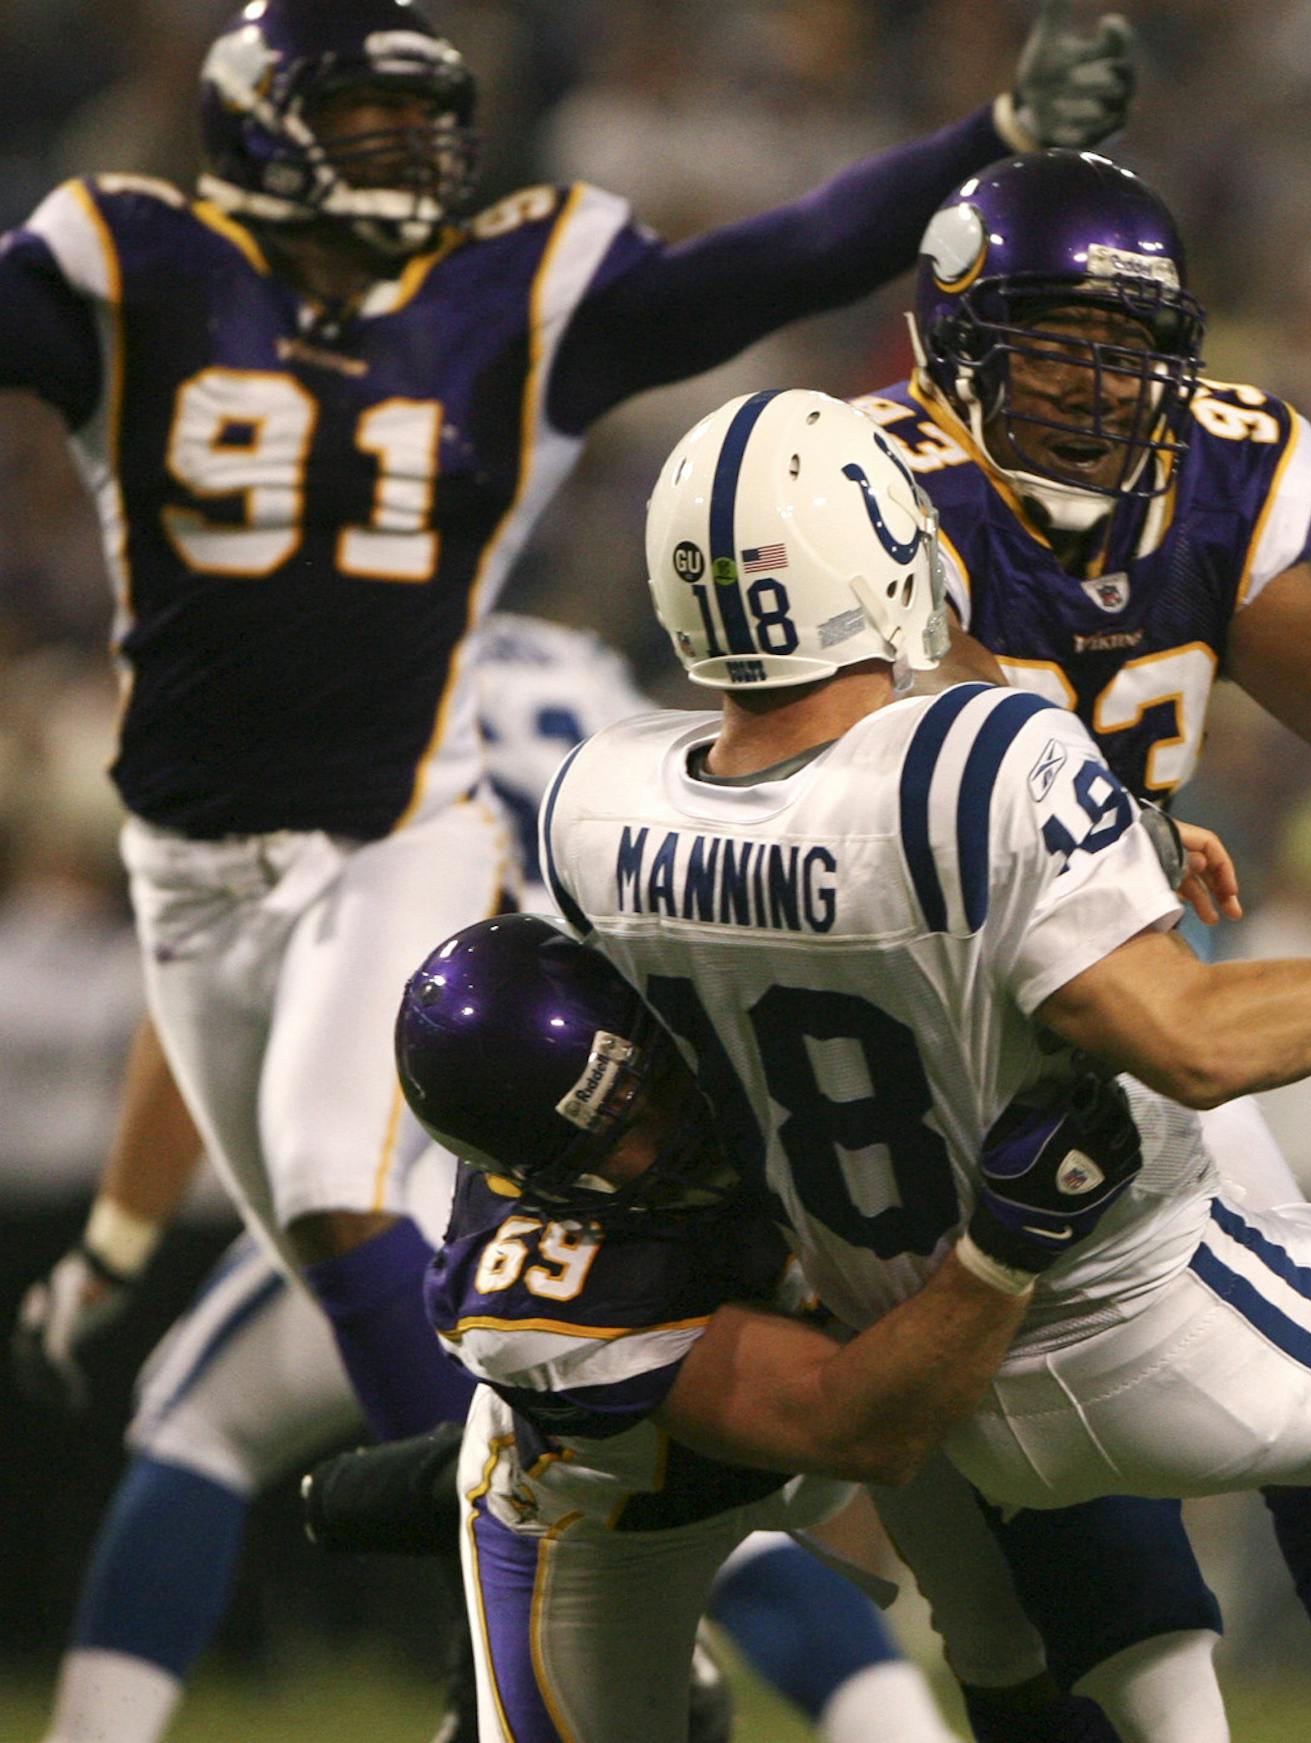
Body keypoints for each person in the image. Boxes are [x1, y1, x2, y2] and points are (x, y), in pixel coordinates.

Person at [0, 0, 1134, 1475]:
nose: (414, 149)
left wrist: (990, 143)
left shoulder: (507, 297)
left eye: (423, 116)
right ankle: (655, 1597)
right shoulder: (133, 264)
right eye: (364, 120)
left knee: (335, 1192)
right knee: (330, 1243)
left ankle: (499, 1539)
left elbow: (779, 254)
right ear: (254, 130)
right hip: (183, 860)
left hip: (394, 823)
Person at [540, 385, 1311, 1742]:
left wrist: (1115, 827)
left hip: (904, 1352)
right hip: (1132, 1310)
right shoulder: (982, 763)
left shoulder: (599, 803)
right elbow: (1191, 1042)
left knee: (1059, 1655)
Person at [856, 148, 1311, 1736]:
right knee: (1028, 1566)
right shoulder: (863, 488)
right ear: (956, 336)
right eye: (1056, 342)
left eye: (1128, 351)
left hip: (1108, 1029)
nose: (1096, 387)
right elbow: (974, 737)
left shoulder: (1213, 469)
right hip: (942, 1055)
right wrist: (1119, 817)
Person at [14, 613, 958, 1743]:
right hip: (672, 1132)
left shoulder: (328, 696)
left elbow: (198, 989)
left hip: (478, 1169)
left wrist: (118, 1239)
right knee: (677, 1474)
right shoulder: (576, 659)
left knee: (199, 1421)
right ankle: (901, 1728)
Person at [393, 910, 1146, 1743]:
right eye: (619, 1132)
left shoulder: (704, 985)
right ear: (541, 1178)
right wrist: (1005, 1248)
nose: (667, 1121)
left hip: (852, 1366)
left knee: (1019, 1624)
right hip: (622, 1509)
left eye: (654, 1079)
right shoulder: (531, 1291)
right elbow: (856, 1429)